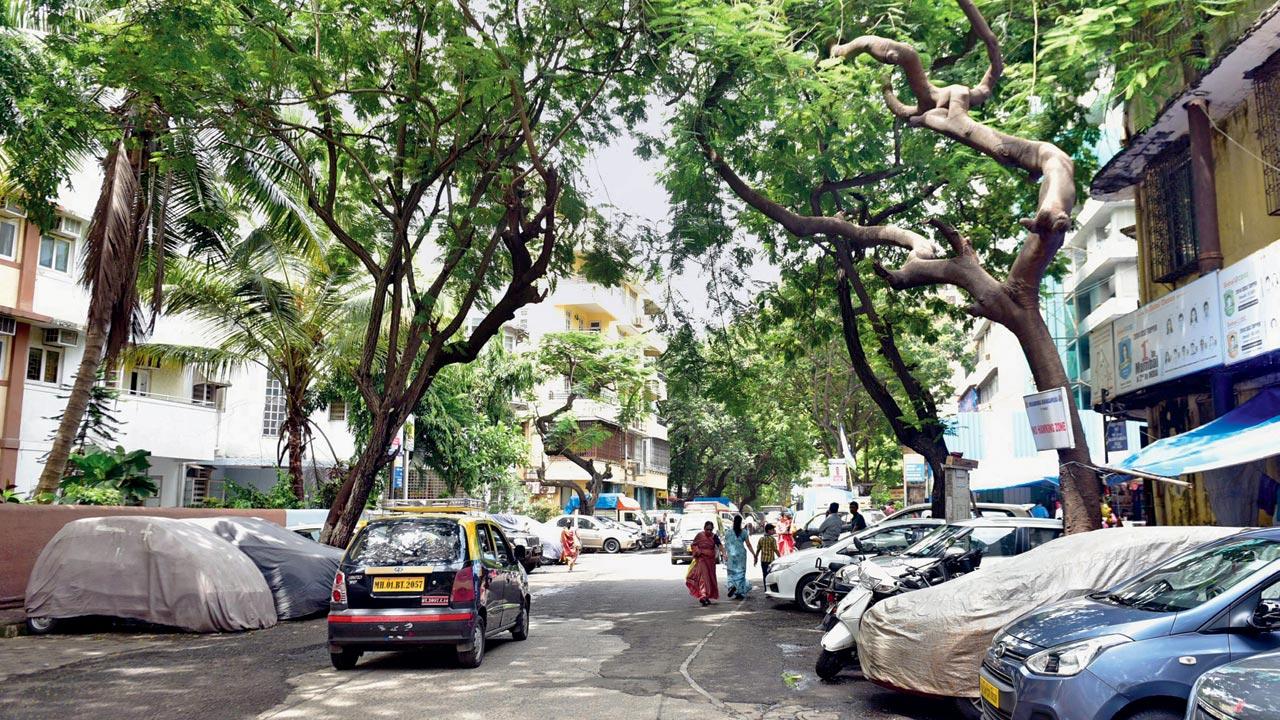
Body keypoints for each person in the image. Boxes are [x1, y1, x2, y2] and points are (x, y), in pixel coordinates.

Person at [685, 520, 724, 606]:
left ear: (713, 529)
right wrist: (697, 551)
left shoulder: (714, 537)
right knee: (703, 578)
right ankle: (703, 596)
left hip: (710, 561)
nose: (709, 531)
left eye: (710, 530)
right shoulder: (699, 536)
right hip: (702, 560)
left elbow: (720, 545)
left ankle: (707, 596)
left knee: (710, 579)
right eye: (707, 529)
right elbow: (693, 545)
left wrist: (724, 554)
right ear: (704, 528)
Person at [724, 514, 754, 599]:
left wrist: (725, 554)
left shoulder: (728, 532)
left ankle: (732, 586)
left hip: (731, 555)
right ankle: (739, 592)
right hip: (741, 555)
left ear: (733, 522)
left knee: (731, 573)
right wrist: (754, 554)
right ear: (741, 522)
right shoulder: (744, 532)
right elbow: (748, 544)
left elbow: (726, 544)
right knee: (741, 573)